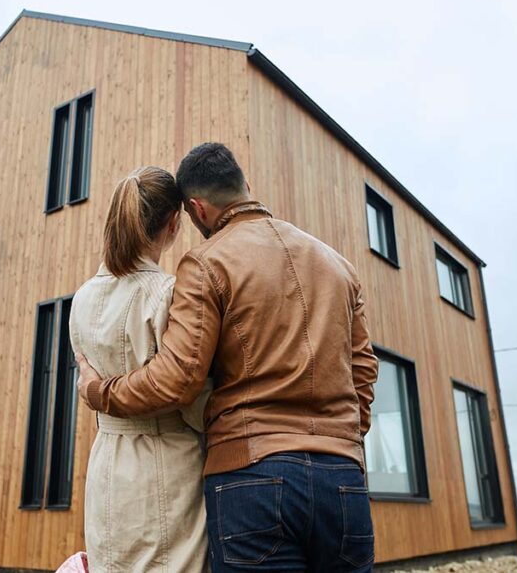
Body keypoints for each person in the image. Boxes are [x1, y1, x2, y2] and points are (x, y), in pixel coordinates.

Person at [77, 142, 380, 573]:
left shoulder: (205, 262)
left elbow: (178, 377)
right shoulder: (338, 264)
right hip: (343, 479)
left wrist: (99, 392)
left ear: (197, 210)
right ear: (247, 186)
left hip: (252, 478)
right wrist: (341, 437)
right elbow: (364, 368)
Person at [69, 166, 210, 573]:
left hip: (106, 464)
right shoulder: (166, 293)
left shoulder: (81, 298)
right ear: (173, 223)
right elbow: (190, 399)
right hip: (164, 468)